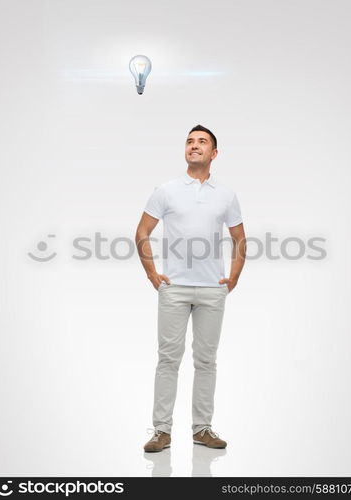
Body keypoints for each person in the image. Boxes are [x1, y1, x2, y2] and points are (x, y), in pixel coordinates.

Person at [135, 124, 246, 452]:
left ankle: (202, 429)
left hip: (213, 289)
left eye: (202, 142)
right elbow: (142, 232)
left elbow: (240, 239)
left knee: (206, 360)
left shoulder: (226, 194)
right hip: (175, 288)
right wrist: (152, 274)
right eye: (189, 141)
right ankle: (161, 431)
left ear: (214, 153)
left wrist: (234, 277)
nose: (194, 146)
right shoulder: (166, 190)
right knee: (168, 359)